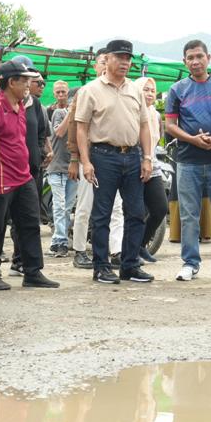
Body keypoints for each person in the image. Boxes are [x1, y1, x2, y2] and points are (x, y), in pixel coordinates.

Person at [0, 60, 58, 291]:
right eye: (25, 80)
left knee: (30, 224)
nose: (29, 85)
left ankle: (32, 272)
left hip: (23, 176)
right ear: (11, 82)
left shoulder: (21, 106)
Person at [75, 39, 154, 285]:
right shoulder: (90, 90)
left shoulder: (135, 90)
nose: (124, 62)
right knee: (102, 214)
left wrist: (147, 158)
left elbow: (144, 126)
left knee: (136, 213)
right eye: (119, 57)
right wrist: (85, 162)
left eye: (128, 58)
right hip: (103, 156)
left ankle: (129, 266)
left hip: (132, 156)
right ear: (107, 59)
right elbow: (81, 128)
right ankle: (101, 267)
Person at [164, 40, 211, 281]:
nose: (195, 61)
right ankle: (190, 263)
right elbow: (169, 125)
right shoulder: (177, 89)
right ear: (184, 61)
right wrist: (192, 140)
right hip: (187, 161)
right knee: (189, 216)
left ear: (208, 58)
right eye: (190, 58)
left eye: (199, 56)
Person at [67, 51, 126, 269]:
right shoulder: (86, 91)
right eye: (102, 62)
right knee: (85, 205)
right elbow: (75, 126)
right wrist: (76, 158)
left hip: (117, 158)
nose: (105, 66)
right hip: (90, 157)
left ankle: (116, 251)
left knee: (117, 207)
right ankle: (80, 250)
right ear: (96, 66)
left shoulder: (123, 90)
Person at [8, 57, 51, 276]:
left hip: (31, 171)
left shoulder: (35, 105)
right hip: (6, 171)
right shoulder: (1, 104)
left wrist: (42, 152)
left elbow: (41, 132)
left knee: (29, 218)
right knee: (3, 220)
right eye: (26, 79)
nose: (31, 83)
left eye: (31, 79)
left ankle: (25, 265)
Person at [133, 77, 168, 264]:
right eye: (145, 89)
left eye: (152, 90)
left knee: (160, 208)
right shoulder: (132, 111)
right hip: (133, 165)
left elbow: (156, 141)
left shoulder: (155, 115)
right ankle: (130, 252)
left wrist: (150, 160)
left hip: (152, 164)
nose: (149, 93)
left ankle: (141, 244)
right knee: (135, 212)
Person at [46, 80, 76, 257]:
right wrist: (70, 113)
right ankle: (60, 241)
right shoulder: (58, 112)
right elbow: (59, 132)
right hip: (56, 167)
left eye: (63, 92)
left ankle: (59, 241)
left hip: (73, 168)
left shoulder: (77, 116)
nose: (61, 95)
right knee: (60, 206)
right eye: (58, 92)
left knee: (66, 207)